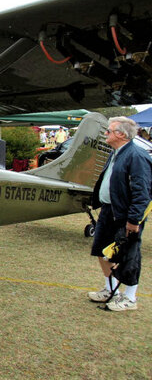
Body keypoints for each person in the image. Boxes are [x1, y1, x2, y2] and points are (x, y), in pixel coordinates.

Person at [88, 116, 152, 311]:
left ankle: (130, 298)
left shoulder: (136, 156)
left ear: (121, 134)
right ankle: (111, 291)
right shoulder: (116, 153)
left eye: (109, 131)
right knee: (101, 250)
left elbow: (142, 192)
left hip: (126, 216)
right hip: (109, 210)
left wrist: (133, 220)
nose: (105, 133)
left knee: (129, 255)